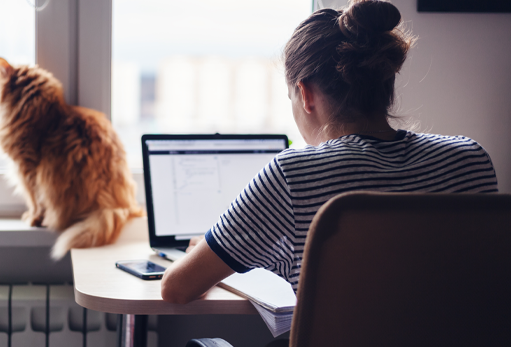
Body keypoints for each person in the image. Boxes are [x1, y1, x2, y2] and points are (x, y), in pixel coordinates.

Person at [161, 0, 498, 305]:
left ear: (305, 94)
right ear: (386, 82)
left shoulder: (293, 175)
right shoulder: (470, 159)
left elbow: (176, 288)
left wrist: (210, 253)